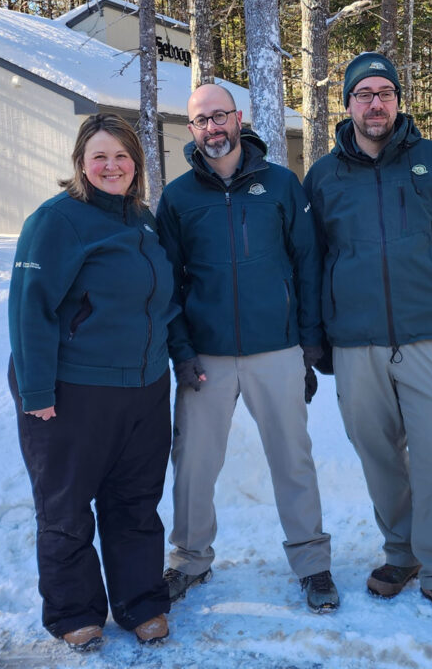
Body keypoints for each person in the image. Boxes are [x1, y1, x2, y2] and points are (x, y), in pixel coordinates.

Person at [302, 53, 432, 627]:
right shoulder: (324, 175)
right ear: (347, 104)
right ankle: (402, 554)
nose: (374, 103)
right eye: (363, 93)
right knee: (378, 454)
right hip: (355, 341)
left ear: (398, 100)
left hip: (427, 336)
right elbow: (312, 261)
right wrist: (313, 338)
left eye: (384, 92)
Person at [155, 83, 338, 613]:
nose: (212, 128)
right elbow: (168, 280)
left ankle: (312, 563)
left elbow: (307, 264)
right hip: (206, 356)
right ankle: (189, 560)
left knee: (292, 458)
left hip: (275, 348)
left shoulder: (281, 185)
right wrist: (181, 351)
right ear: (191, 130)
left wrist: (308, 345)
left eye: (219, 116)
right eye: (200, 121)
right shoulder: (179, 197)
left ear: (238, 119)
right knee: (193, 462)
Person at [7, 113, 177, 651]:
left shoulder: (142, 219)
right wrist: (36, 394)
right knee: (66, 506)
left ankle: (141, 602)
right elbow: (28, 310)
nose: (112, 166)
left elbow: (162, 304)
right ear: (81, 162)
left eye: (122, 156)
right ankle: (75, 611)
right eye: (100, 156)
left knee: (135, 502)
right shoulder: (57, 221)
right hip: (73, 390)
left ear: (137, 164)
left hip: (145, 388)